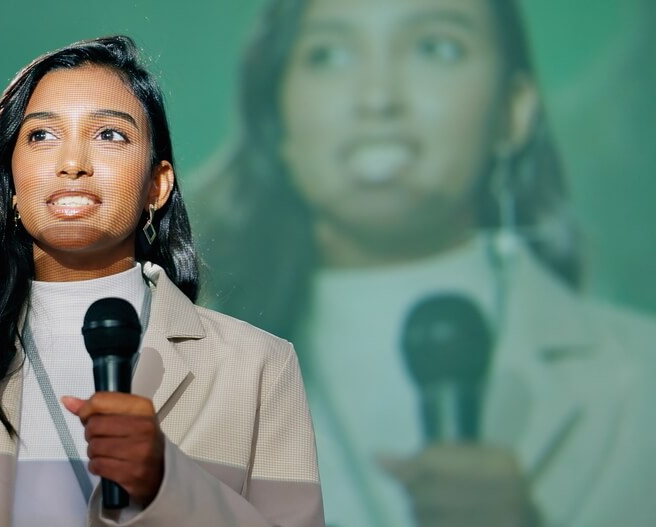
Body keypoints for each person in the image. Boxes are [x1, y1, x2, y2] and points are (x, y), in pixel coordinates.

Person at [0, 35, 325, 527]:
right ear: (10, 187)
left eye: (109, 135)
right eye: (42, 136)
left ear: (157, 185)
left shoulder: (257, 367)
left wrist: (168, 481)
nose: (72, 164)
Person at [191, 0, 656, 525]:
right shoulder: (162, 391)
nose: (378, 99)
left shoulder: (644, 383)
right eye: (329, 55)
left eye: (435, 48)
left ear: (513, 109)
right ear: (276, 118)